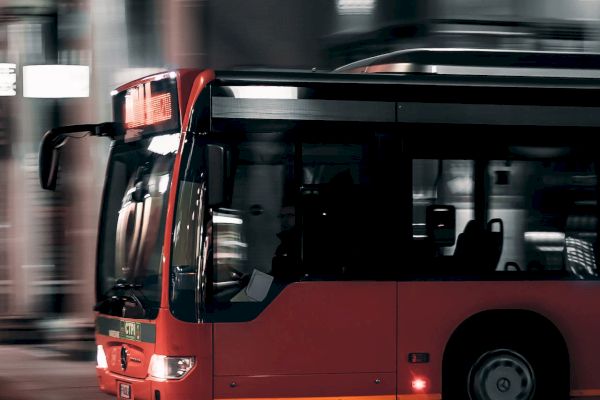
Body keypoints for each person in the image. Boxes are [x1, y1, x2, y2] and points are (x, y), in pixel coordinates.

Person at [271, 205, 302, 281]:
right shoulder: (283, 245)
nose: (284, 220)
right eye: (282, 216)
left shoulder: (299, 244)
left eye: (290, 216)